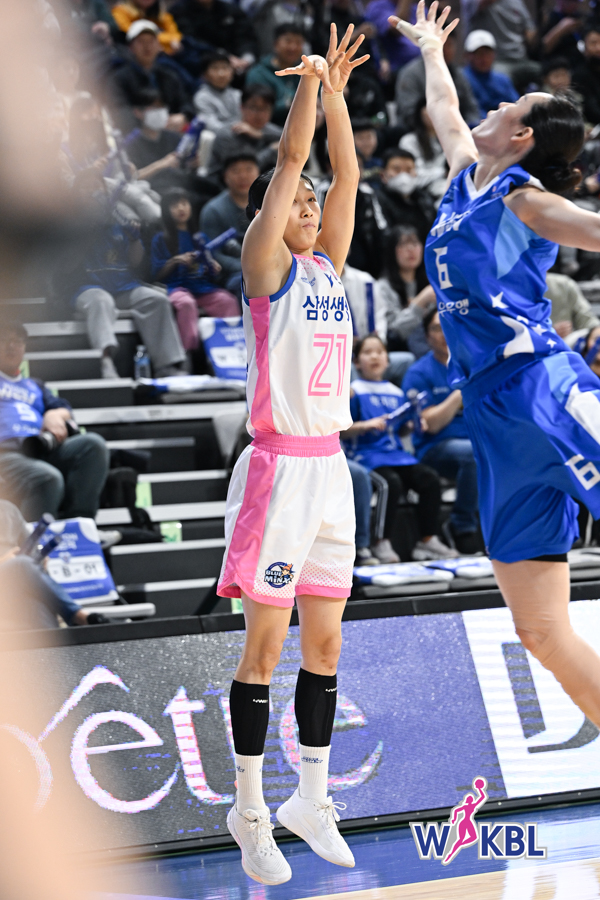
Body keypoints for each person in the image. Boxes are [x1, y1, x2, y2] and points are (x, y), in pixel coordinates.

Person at [390, 1, 600, 741]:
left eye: (510, 105)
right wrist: (432, 50)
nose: (493, 106)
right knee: (539, 630)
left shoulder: (526, 199)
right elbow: (444, 110)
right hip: (489, 412)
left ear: (523, 136)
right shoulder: (463, 179)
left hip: (545, 386)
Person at [216, 25, 369, 884]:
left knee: (326, 649)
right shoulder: (266, 265)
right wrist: (310, 82)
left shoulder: (328, 268)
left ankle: (310, 799)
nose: (311, 209)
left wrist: (340, 97)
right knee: (266, 653)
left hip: (330, 469)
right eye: (298, 205)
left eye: (313, 206)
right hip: (276, 470)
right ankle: (247, 810)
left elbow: (346, 176)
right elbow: (291, 162)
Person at [343, 334, 454, 562]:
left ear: (388, 360)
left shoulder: (396, 392)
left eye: (379, 352)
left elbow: (400, 430)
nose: (375, 357)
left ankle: (427, 540)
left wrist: (411, 425)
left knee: (429, 479)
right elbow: (341, 429)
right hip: (366, 457)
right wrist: (366, 425)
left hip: (396, 456)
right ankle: (379, 542)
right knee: (389, 483)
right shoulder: (353, 391)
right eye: (367, 352)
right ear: (356, 362)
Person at [72, 168, 186, 378]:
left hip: (123, 286)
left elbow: (135, 262)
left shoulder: (118, 217)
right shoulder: (68, 222)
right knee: (101, 301)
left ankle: (167, 366)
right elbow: (66, 263)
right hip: (87, 287)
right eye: (85, 187)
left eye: (96, 186)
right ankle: (105, 362)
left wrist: (134, 239)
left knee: (156, 300)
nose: (92, 191)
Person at [0, 321, 109, 522]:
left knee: (93, 445)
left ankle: (80, 524)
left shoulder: (35, 385)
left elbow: (64, 408)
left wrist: (55, 415)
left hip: (39, 448)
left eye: (17, 341)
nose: (11, 346)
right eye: (4, 340)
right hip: (6, 454)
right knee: (48, 477)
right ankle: (34, 538)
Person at [403, 309, 481, 554]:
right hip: (435, 447)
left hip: (475, 439)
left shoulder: (474, 364)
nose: (445, 333)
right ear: (427, 336)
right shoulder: (419, 373)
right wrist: (460, 392)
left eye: (449, 326)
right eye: (437, 328)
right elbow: (431, 424)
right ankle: (461, 526)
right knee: (473, 454)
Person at [151, 188, 239, 353]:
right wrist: (176, 260)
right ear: (166, 211)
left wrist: (212, 267)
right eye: (174, 205)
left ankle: (232, 349)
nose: (181, 208)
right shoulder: (161, 239)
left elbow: (209, 271)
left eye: (184, 203)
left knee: (227, 301)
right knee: (186, 304)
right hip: (177, 288)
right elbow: (157, 274)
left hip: (202, 288)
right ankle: (189, 352)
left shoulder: (201, 237)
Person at [109, 20, 193, 134]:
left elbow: (185, 102)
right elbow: (118, 110)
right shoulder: (120, 78)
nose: (147, 46)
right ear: (131, 47)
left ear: (158, 45)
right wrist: (145, 121)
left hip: (170, 133)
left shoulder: (169, 75)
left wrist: (183, 116)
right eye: (141, 42)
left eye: (151, 41)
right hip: (138, 135)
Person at [395, 30, 481, 130]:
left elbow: (471, 109)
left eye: (449, 45)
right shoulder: (410, 74)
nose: (446, 50)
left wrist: (469, 127)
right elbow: (408, 112)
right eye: (441, 45)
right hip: (419, 131)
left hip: (457, 130)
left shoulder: (458, 74)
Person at [200, 153, 260, 292]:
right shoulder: (213, 210)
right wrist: (247, 268)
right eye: (235, 171)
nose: (243, 176)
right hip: (231, 274)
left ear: (258, 173)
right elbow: (213, 253)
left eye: (249, 169)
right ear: (225, 177)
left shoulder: (269, 204)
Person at [377, 224, 436, 358]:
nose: (410, 250)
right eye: (403, 244)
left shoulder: (431, 282)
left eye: (415, 243)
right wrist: (420, 302)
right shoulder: (383, 287)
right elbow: (393, 331)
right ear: (392, 250)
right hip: (400, 352)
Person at [461, 0, 538, 91]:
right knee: (501, 80)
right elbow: (480, 4)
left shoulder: (517, 2)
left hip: (521, 58)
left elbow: (530, 31)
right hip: (498, 61)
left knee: (543, 71)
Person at [208, 85, 281, 178]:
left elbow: (289, 138)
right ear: (242, 107)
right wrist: (272, 150)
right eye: (254, 108)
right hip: (222, 184)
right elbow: (244, 171)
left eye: (265, 108)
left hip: (262, 182)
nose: (260, 114)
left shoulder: (268, 129)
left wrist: (261, 135)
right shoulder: (228, 134)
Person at [170, 0, 258, 76]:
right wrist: (223, 57)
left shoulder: (229, 10)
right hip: (199, 69)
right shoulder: (179, 12)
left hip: (239, 66)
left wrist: (246, 58)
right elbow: (191, 42)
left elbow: (245, 36)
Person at [245, 24, 304, 126]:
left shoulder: (305, 72)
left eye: (298, 43)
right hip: (269, 128)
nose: (293, 47)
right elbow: (257, 109)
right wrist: (289, 104)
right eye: (288, 41)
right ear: (275, 44)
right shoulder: (258, 74)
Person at [376, 148, 437, 241]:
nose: (403, 175)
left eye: (409, 170)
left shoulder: (424, 199)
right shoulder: (376, 200)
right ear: (382, 175)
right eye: (397, 170)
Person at [399, 97, 447, 201]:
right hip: (425, 190)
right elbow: (414, 175)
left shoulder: (451, 138)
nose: (434, 115)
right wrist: (443, 172)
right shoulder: (409, 141)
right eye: (429, 110)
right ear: (420, 115)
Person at [462, 30, 519, 115]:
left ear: (494, 55)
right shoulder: (462, 79)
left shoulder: (503, 80)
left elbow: (515, 106)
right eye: (479, 53)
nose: (484, 58)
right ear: (468, 55)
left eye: (487, 53)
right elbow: (469, 112)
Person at [193, 52, 241, 134]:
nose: (221, 74)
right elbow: (212, 127)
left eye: (225, 68)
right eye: (215, 68)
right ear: (205, 75)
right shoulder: (201, 97)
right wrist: (241, 129)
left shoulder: (238, 94)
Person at [111, 0, 182, 54]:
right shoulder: (119, 12)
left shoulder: (161, 15)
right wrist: (168, 41)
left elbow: (176, 36)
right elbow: (136, 35)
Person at [545, 271, 600, 338]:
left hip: (566, 342)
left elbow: (585, 318)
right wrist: (549, 332)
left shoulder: (564, 284)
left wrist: (595, 330)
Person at [573, 24, 600, 126]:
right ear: (584, 46)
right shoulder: (579, 75)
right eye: (593, 43)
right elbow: (591, 110)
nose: (598, 48)